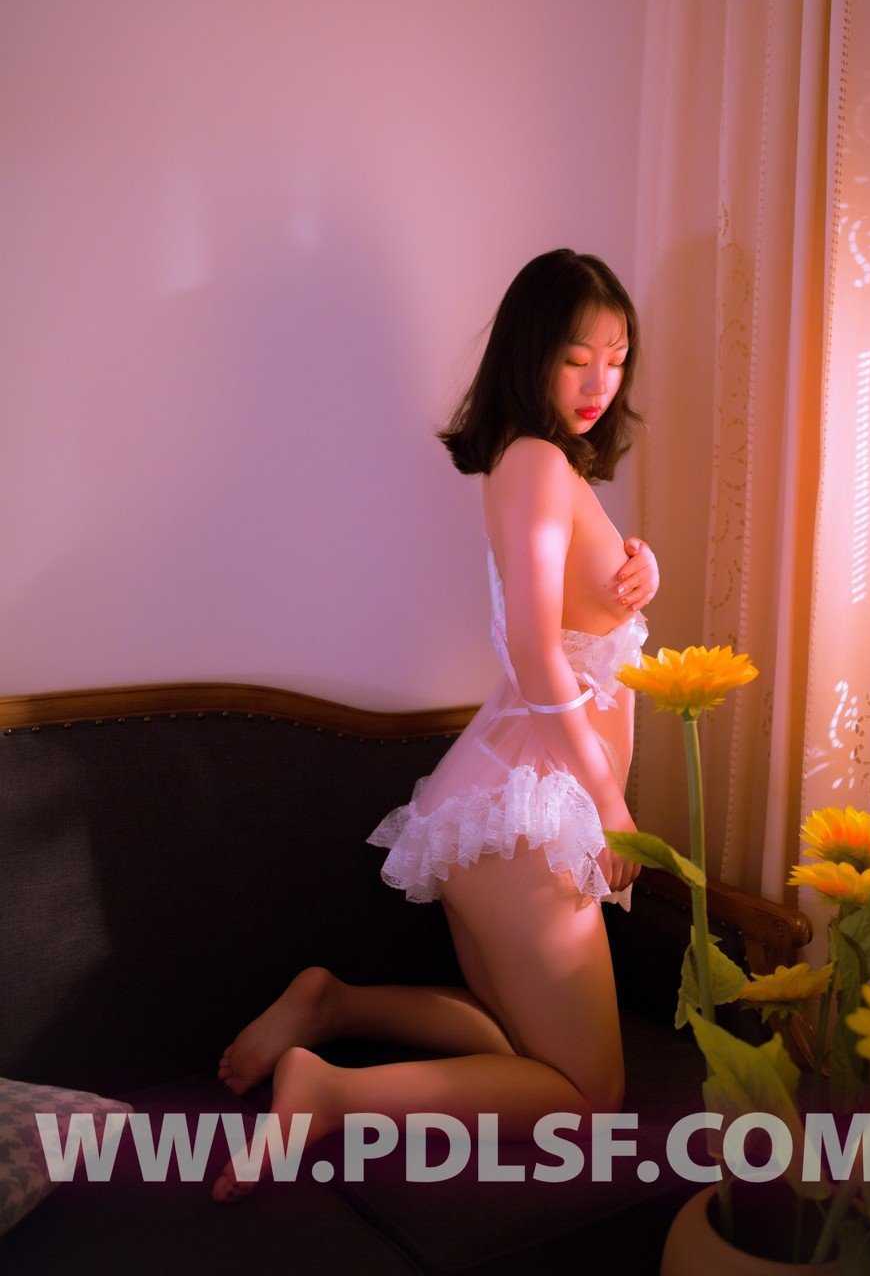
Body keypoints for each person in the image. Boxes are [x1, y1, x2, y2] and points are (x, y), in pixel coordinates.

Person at [211, 248, 661, 1202]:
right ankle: (330, 1094)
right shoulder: (535, 463)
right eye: (576, 358)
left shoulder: (543, 466)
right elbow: (536, 651)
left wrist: (637, 572)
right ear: (531, 354)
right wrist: (610, 801)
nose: (599, 384)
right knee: (589, 1099)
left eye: (616, 360)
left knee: (512, 1045)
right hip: (530, 819)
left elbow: (570, 619)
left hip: (503, 808)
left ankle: (333, 1005)